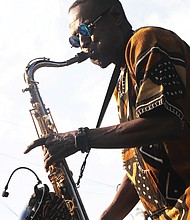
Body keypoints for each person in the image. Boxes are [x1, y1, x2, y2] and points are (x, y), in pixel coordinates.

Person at [24, 0, 190, 219]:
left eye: (85, 29)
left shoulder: (147, 41)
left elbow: (168, 123)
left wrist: (80, 139)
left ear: (116, 16)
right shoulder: (121, 84)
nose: (82, 43)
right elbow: (139, 169)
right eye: (75, 39)